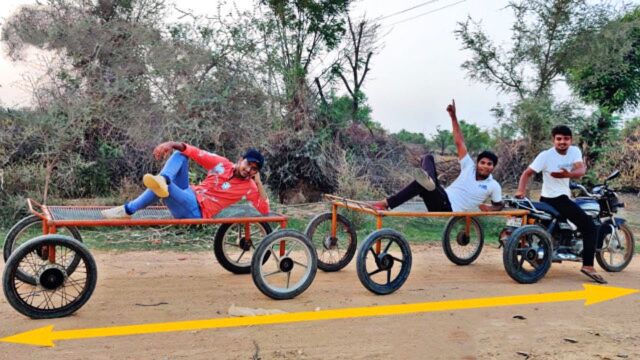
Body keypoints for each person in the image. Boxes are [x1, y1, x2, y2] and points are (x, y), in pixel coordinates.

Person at [370, 100, 503, 213]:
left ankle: (387, 203)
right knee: (427, 158)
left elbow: (498, 206)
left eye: (489, 164)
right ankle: (429, 182)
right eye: (482, 162)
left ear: (493, 167)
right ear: (477, 163)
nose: (485, 166)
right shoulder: (469, 166)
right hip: (441, 196)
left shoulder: (493, 185)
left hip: (448, 208)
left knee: (422, 183)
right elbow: (459, 142)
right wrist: (453, 117)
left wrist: (487, 207)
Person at [515, 125, 605, 284]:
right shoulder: (545, 156)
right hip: (556, 199)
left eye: (566, 139)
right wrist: (520, 191)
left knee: (563, 227)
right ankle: (588, 265)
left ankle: (551, 252)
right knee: (590, 227)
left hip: (556, 199)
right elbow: (527, 173)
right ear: (553, 140)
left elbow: (581, 169)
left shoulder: (574, 151)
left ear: (571, 140)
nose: (562, 142)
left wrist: (567, 175)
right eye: (559, 139)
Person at [101, 141, 270, 219]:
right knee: (180, 153)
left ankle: (127, 210)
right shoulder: (222, 164)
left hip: (197, 211)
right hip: (189, 194)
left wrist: (259, 183)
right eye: (248, 164)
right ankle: (163, 179)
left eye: (254, 169)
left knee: (163, 186)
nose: (248, 170)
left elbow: (264, 210)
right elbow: (195, 152)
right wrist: (171, 144)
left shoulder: (249, 187)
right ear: (241, 159)